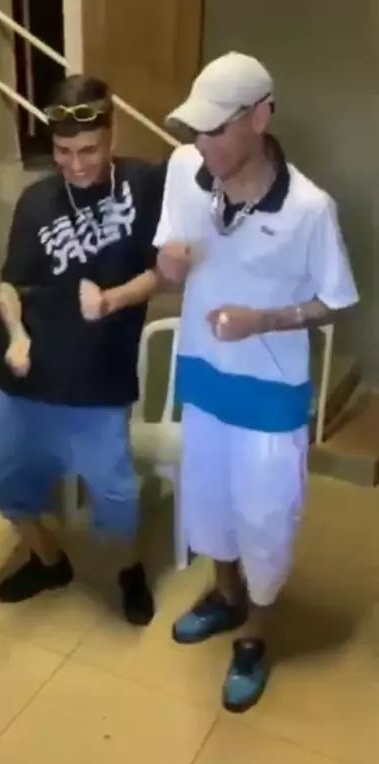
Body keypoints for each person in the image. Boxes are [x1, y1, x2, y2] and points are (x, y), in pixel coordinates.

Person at [95, 52, 359, 710]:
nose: (202, 143)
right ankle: (224, 593)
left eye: (216, 129)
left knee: (265, 523)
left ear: (260, 116)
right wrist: (168, 267)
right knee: (207, 507)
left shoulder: (309, 209)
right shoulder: (184, 170)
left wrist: (266, 319)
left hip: (270, 399)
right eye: (195, 129)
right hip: (204, 380)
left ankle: (255, 636)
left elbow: (336, 302)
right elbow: (169, 262)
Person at [0, 74, 166, 626]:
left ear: (112, 137)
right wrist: (16, 333)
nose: (76, 164)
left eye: (89, 150)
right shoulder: (36, 200)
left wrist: (112, 300)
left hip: (100, 380)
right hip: (31, 374)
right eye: (63, 152)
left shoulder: (146, 184)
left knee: (115, 496)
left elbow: (165, 271)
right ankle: (49, 562)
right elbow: (9, 285)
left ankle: (129, 571)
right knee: (1, 483)